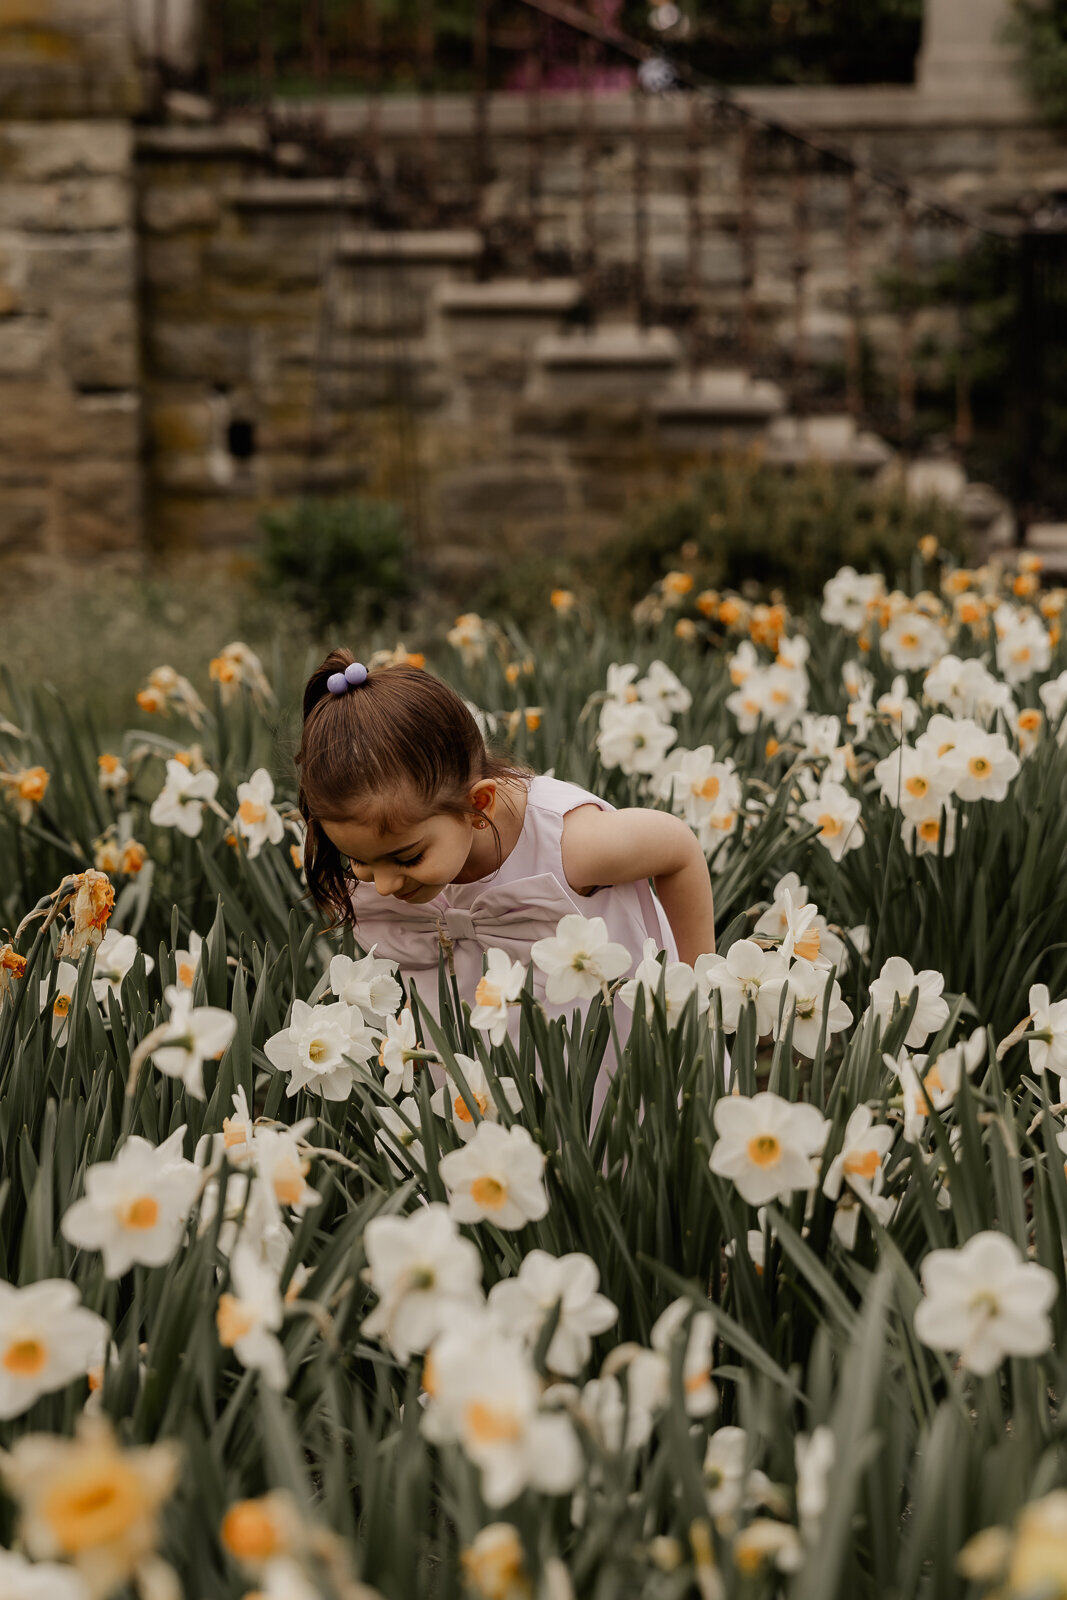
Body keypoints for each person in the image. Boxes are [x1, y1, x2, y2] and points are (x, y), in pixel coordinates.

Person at [295, 650, 718, 1101]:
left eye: (407, 858)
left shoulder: (575, 845)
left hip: (618, 1064)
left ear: (479, 805)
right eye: (359, 861)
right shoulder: (392, 841)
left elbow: (679, 848)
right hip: (484, 1081)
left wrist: (696, 990)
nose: (383, 886)